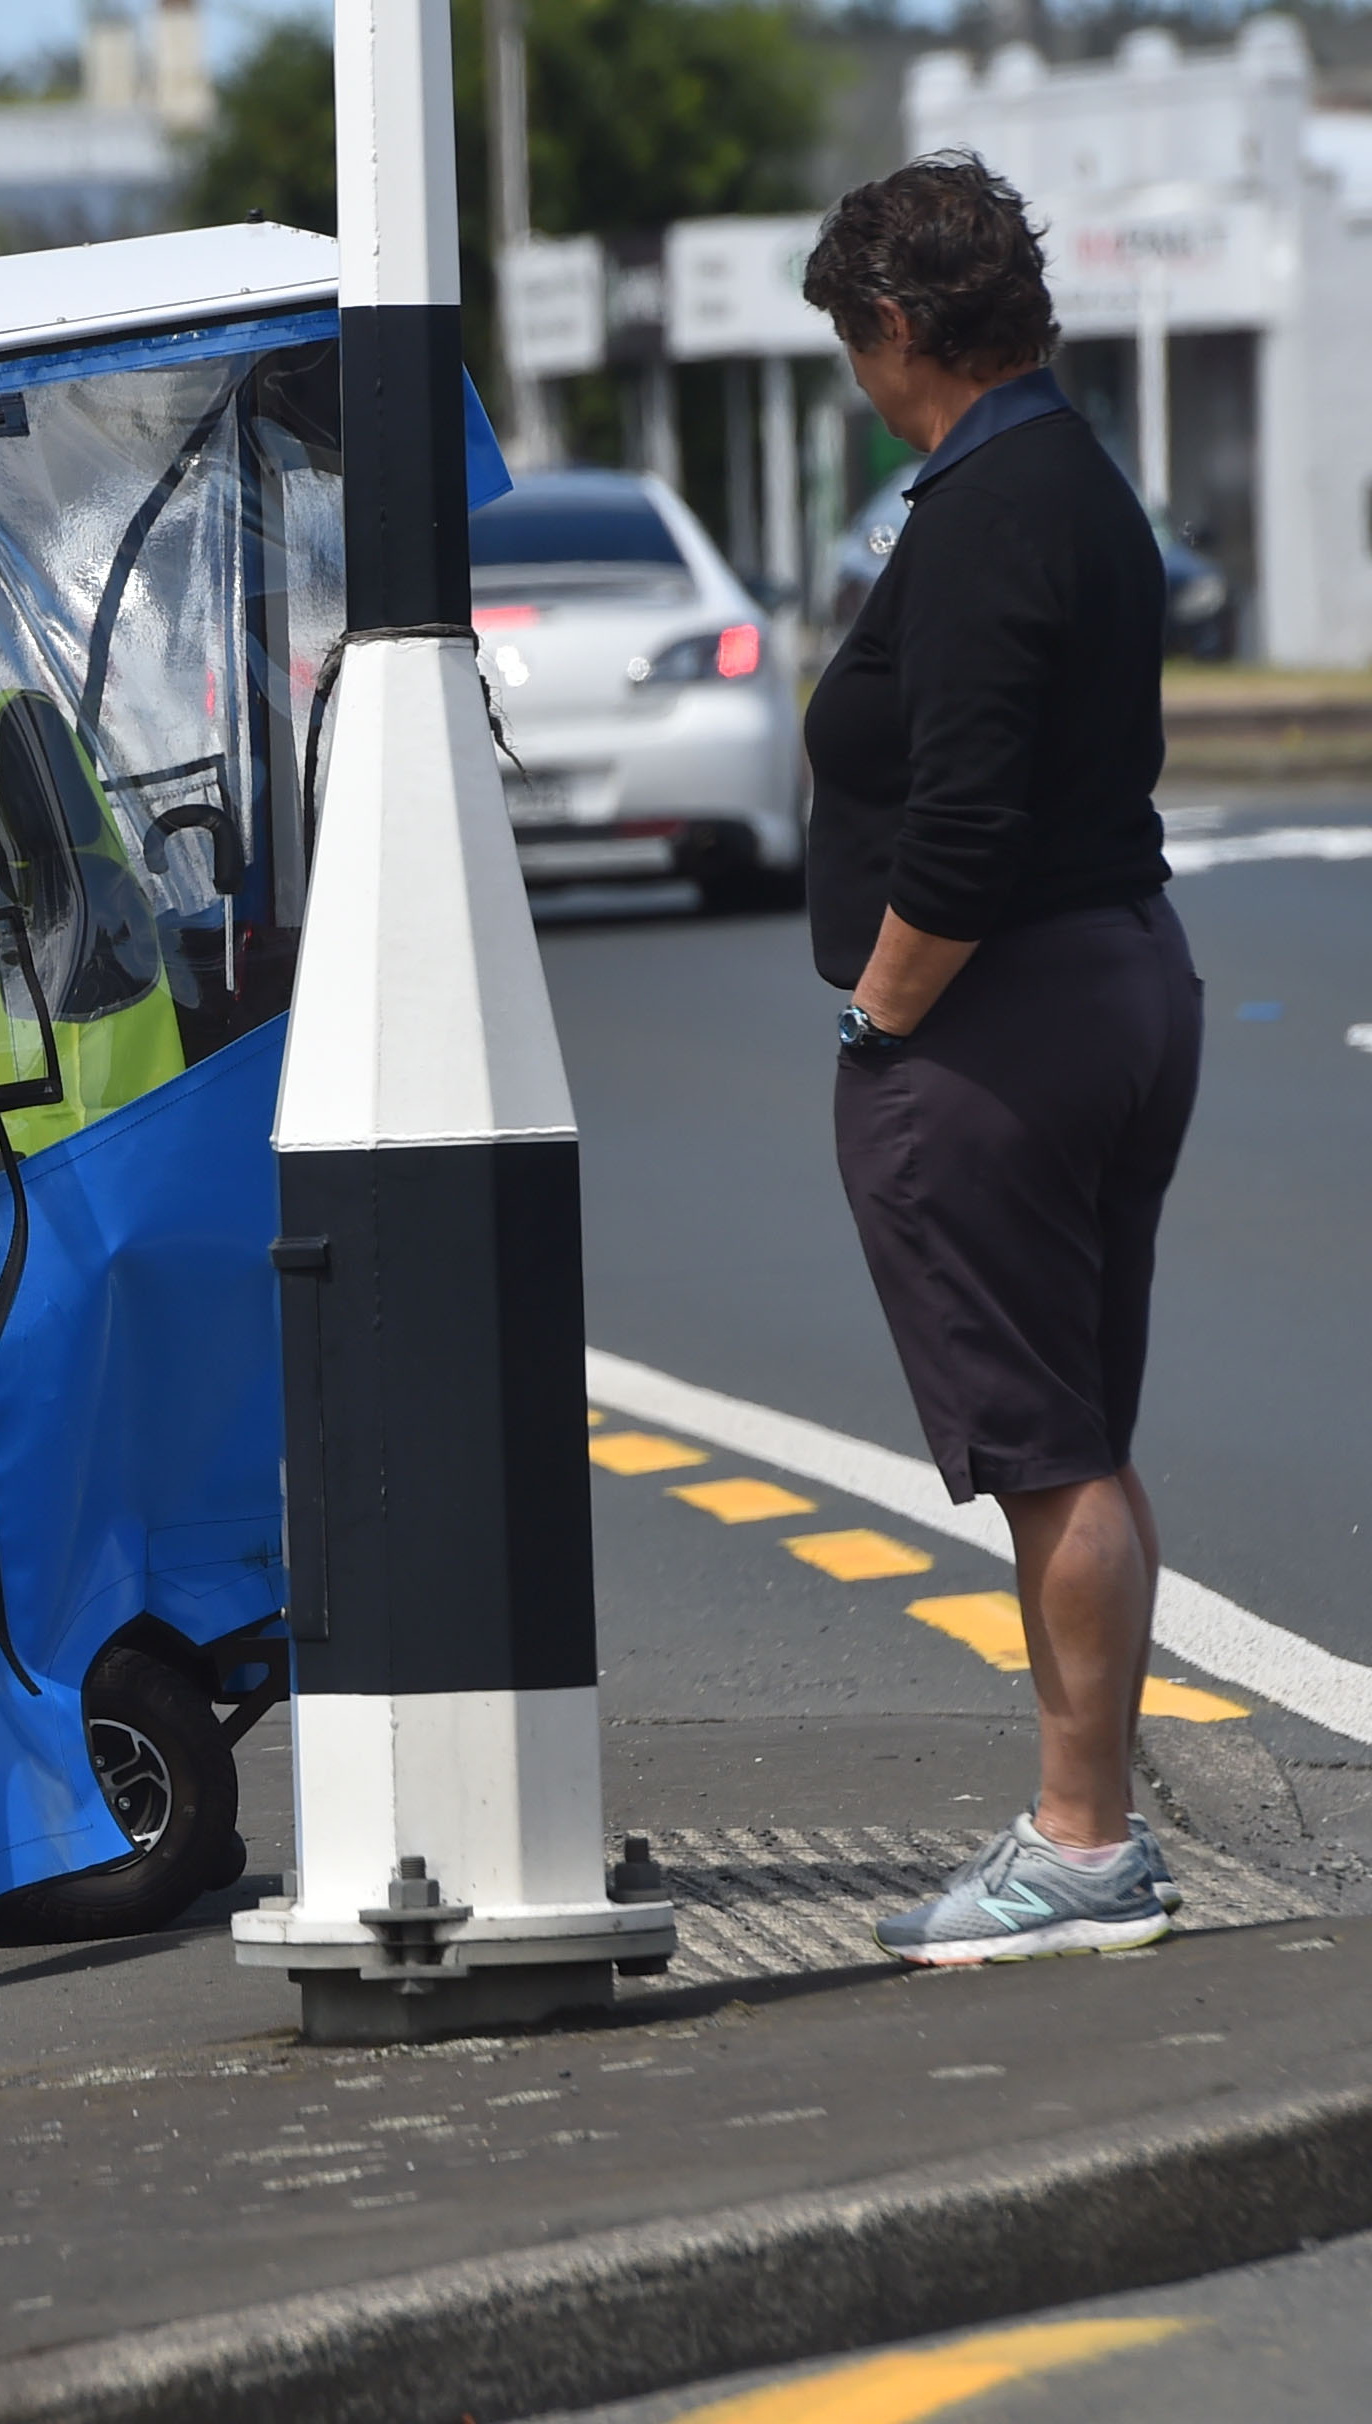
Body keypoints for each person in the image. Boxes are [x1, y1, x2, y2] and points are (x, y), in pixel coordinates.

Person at [797, 157, 1196, 1966]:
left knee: (1047, 1453)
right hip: (1120, 978)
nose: (857, 381)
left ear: (898, 329)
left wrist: (878, 1016)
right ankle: (1087, 1821)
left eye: (853, 346)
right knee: (1081, 1443)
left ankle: (1083, 1845)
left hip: (1002, 1021)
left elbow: (960, 830)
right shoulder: (1081, 478)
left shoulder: (980, 513)